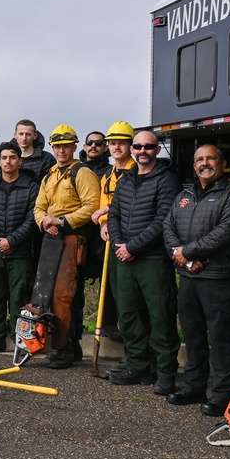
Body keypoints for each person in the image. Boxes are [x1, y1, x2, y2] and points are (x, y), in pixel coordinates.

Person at [164, 145, 230, 416]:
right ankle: (194, 387)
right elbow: (168, 227)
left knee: (222, 338)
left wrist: (188, 251)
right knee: (193, 334)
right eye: (200, 159)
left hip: (218, 278)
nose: (205, 163)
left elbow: (226, 233)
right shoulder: (184, 195)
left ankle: (224, 395)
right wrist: (184, 258)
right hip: (188, 277)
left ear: (222, 163)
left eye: (211, 158)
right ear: (194, 166)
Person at [106, 131, 180, 395]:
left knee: (160, 316)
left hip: (152, 259)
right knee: (129, 316)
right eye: (137, 146)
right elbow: (113, 214)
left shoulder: (167, 180)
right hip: (123, 258)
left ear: (157, 149)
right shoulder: (125, 180)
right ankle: (139, 367)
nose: (142, 151)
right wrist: (119, 245)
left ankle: (166, 373)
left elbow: (163, 220)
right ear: (132, 150)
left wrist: (133, 247)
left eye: (148, 147)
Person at [32, 124, 102, 369]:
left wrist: (62, 221)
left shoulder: (82, 173)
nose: (61, 150)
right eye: (57, 146)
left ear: (74, 146)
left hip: (73, 239)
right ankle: (64, 346)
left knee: (66, 295)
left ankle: (66, 349)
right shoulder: (50, 174)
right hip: (51, 239)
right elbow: (39, 207)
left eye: (65, 146)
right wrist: (45, 222)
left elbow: (92, 205)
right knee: (49, 296)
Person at [0, 141, 38, 353]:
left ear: (20, 161)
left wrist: (12, 241)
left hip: (20, 254)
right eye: (4, 158)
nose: (8, 161)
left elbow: (32, 219)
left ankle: (20, 342)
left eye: (12, 157)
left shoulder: (31, 187)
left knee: (20, 299)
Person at [91, 121, 136, 355]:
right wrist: (103, 222)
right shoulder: (108, 174)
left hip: (129, 237)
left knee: (127, 296)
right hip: (111, 234)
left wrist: (104, 213)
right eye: (113, 143)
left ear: (130, 145)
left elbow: (125, 202)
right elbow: (102, 200)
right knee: (110, 285)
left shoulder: (135, 170)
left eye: (122, 143)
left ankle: (134, 349)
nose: (116, 147)